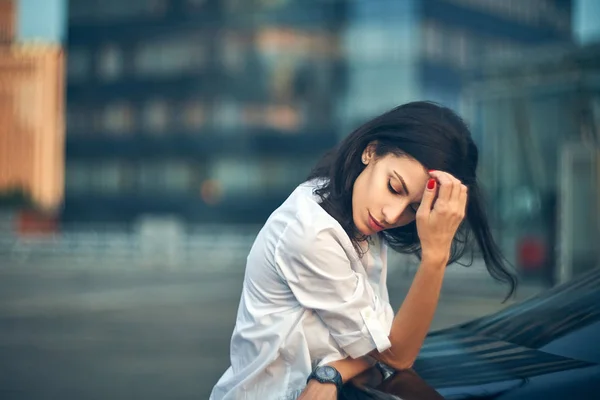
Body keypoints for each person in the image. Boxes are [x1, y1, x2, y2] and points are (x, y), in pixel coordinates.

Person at [210, 101, 517, 400]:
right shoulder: (312, 234)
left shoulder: (353, 212)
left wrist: (334, 371)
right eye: (394, 187)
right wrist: (435, 256)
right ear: (371, 151)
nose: (392, 215)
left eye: (413, 208)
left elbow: (381, 347)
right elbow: (396, 355)